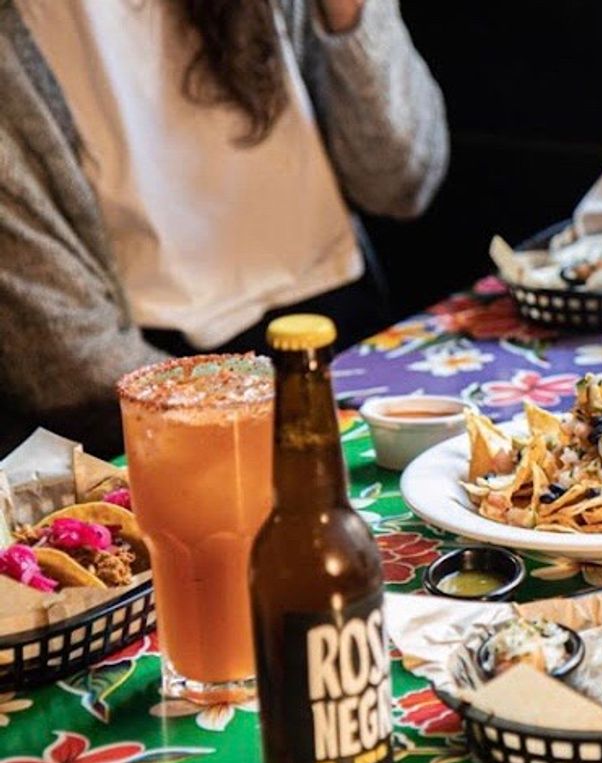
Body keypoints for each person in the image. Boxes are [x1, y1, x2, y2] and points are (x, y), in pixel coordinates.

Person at [0, 0, 449, 456]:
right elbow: (66, 365)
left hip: (349, 332)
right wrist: (270, 424)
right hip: (165, 402)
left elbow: (401, 182)